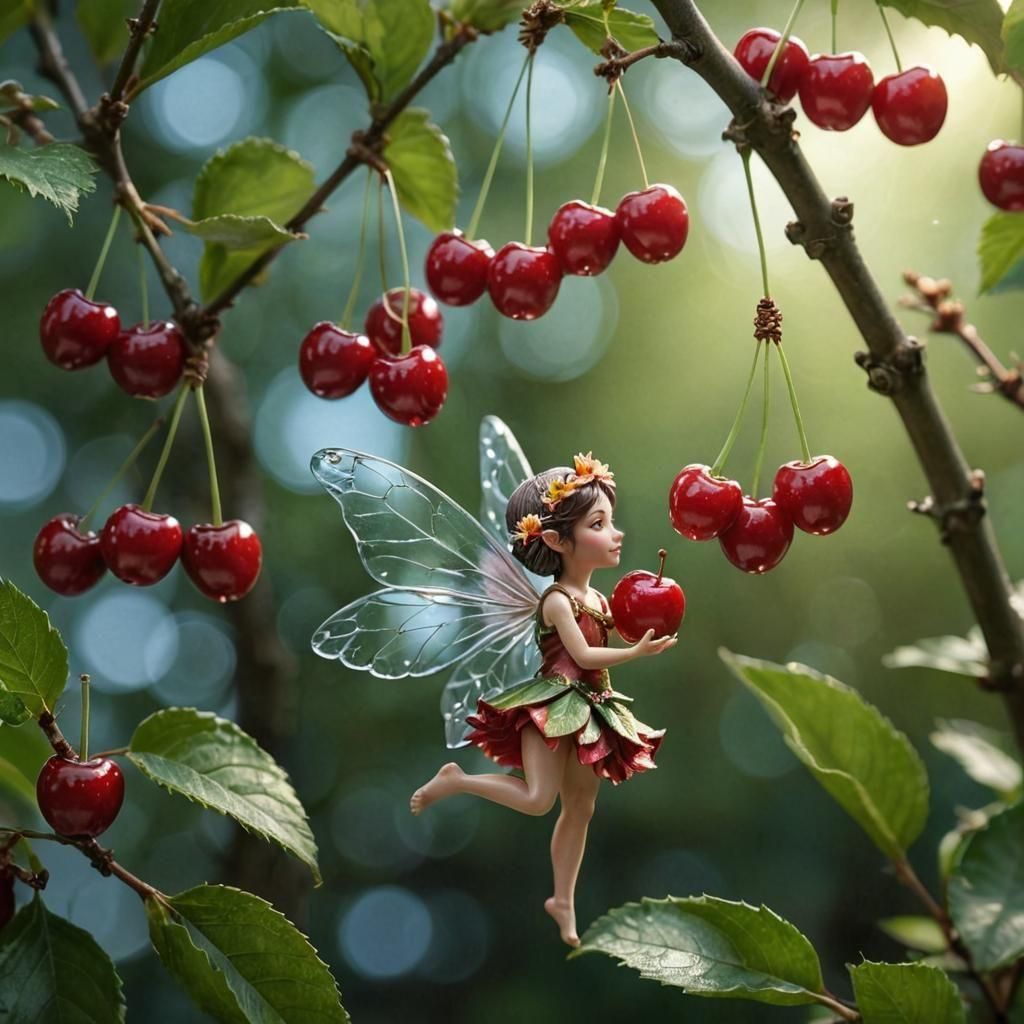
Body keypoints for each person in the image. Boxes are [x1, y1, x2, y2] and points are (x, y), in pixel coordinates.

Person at [409, 453, 676, 946]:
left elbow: (607, 641)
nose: (615, 534)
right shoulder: (556, 601)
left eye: (610, 521)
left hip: (592, 709)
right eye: (599, 524)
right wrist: (636, 651)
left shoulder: (599, 599)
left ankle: (563, 900)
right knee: (538, 799)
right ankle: (459, 781)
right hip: (554, 707)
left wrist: (647, 618)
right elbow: (582, 654)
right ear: (556, 541)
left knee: (580, 807)